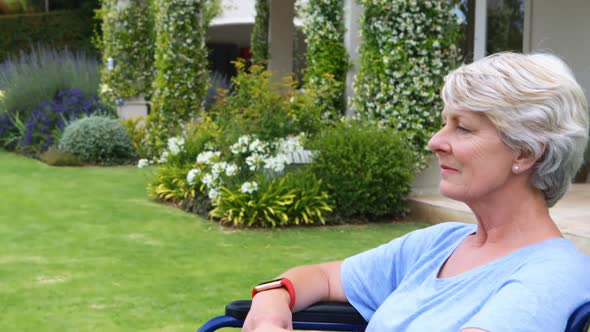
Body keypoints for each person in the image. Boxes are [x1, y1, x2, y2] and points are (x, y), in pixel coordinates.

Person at [242, 52, 590, 332]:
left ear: (527, 153)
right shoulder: (438, 244)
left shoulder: (553, 275)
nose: (436, 141)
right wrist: (273, 298)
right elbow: (324, 277)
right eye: (444, 123)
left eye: (463, 128)